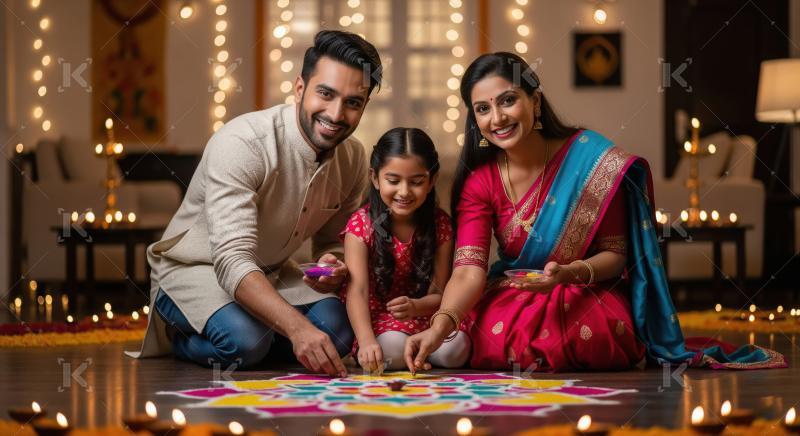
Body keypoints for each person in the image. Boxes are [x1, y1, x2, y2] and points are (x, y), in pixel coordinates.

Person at [403, 52, 787, 373]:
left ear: (535, 102)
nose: (497, 118)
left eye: (508, 100)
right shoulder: (480, 181)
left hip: (586, 288)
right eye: (483, 109)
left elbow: (615, 256)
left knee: (589, 336)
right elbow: (468, 270)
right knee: (490, 333)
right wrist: (440, 327)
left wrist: (569, 273)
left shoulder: (591, 159)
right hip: (516, 291)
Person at [128, 31, 383, 376]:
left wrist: (330, 266)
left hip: (272, 273)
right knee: (244, 342)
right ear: (299, 88)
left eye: (353, 102)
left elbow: (333, 245)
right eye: (325, 94)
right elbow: (232, 260)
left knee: (339, 334)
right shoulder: (243, 143)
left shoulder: (352, 159)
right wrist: (298, 329)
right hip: (195, 269)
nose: (336, 114)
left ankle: (263, 335)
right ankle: (184, 338)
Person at [341, 127, 470, 373]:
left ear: (432, 180)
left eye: (416, 182)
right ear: (375, 178)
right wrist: (366, 341)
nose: (404, 192)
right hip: (380, 323)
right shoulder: (360, 225)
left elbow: (440, 294)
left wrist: (415, 307)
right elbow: (357, 291)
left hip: (428, 319)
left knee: (457, 350)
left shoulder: (441, 225)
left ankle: (420, 355)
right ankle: (418, 358)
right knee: (392, 349)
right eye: (393, 181)